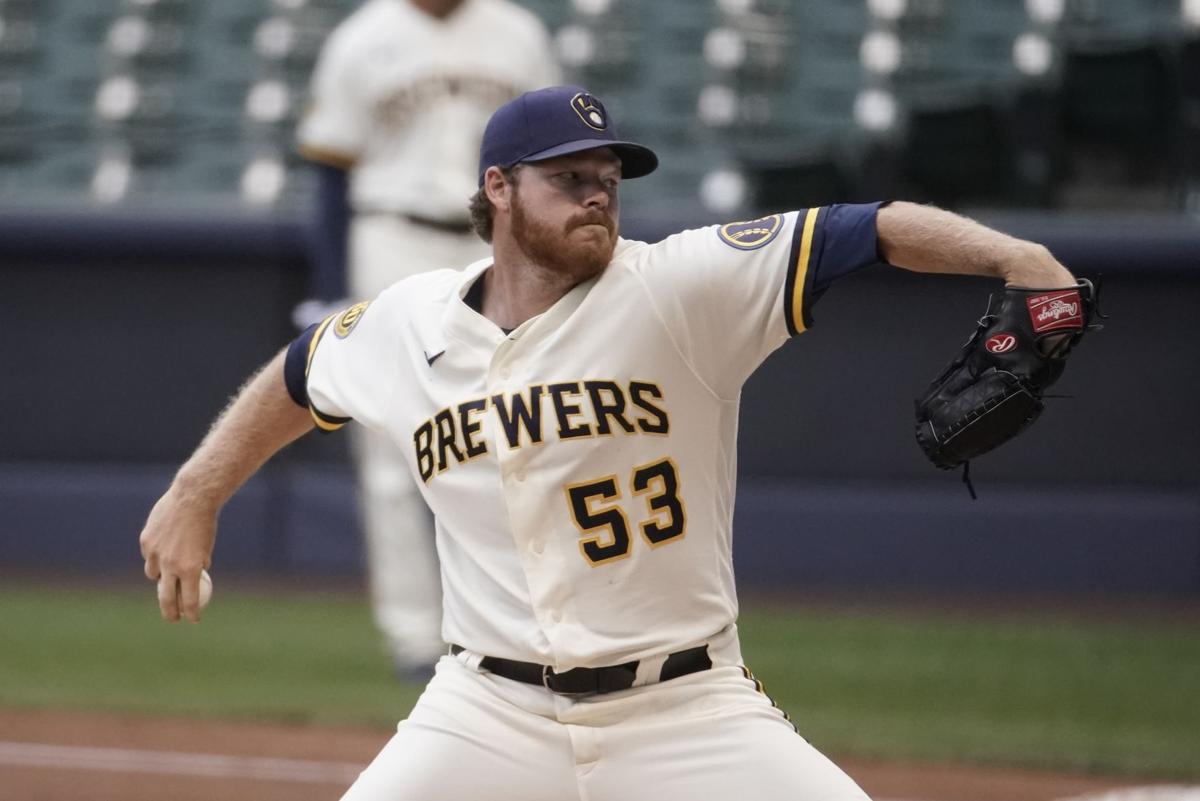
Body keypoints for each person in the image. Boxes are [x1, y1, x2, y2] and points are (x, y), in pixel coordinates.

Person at [140, 85, 1080, 800]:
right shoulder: (409, 322)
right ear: (498, 190)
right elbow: (303, 374)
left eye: (608, 180)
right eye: (569, 179)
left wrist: (1021, 261)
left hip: (688, 710)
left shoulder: (680, 287)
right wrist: (196, 491)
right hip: (485, 711)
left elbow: (866, 230)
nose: (598, 197)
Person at [294, 0, 559, 678]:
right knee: (388, 449)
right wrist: (328, 288)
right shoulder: (363, 37)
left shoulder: (518, 32)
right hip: (390, 232)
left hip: (495, 237)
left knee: (518, 434)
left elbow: (556, 159)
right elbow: (331, 169)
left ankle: (521, 626)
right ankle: (413, 637)